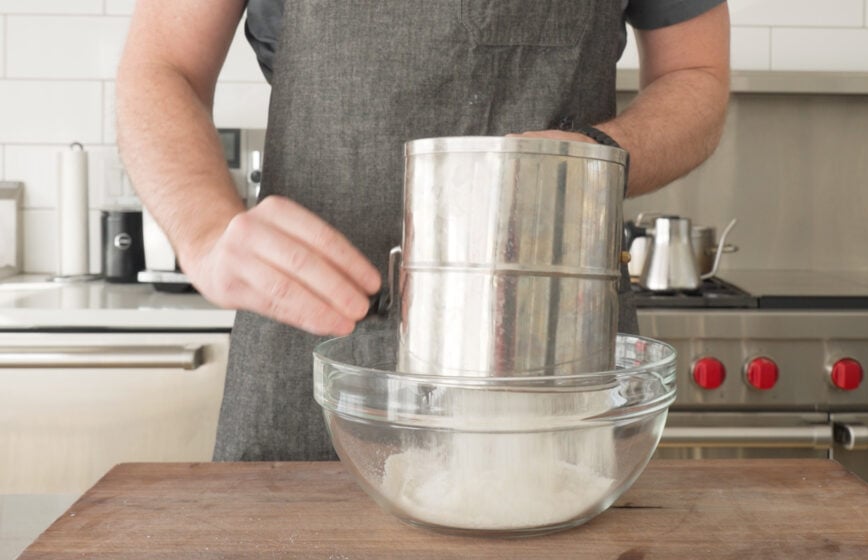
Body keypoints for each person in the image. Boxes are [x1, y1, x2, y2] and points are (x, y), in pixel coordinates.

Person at [116, 0, 731, 461]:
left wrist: (591, 157)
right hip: (308, 364)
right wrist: (202, 228)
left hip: (550, 363)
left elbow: (696, 75)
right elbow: (163, 64)